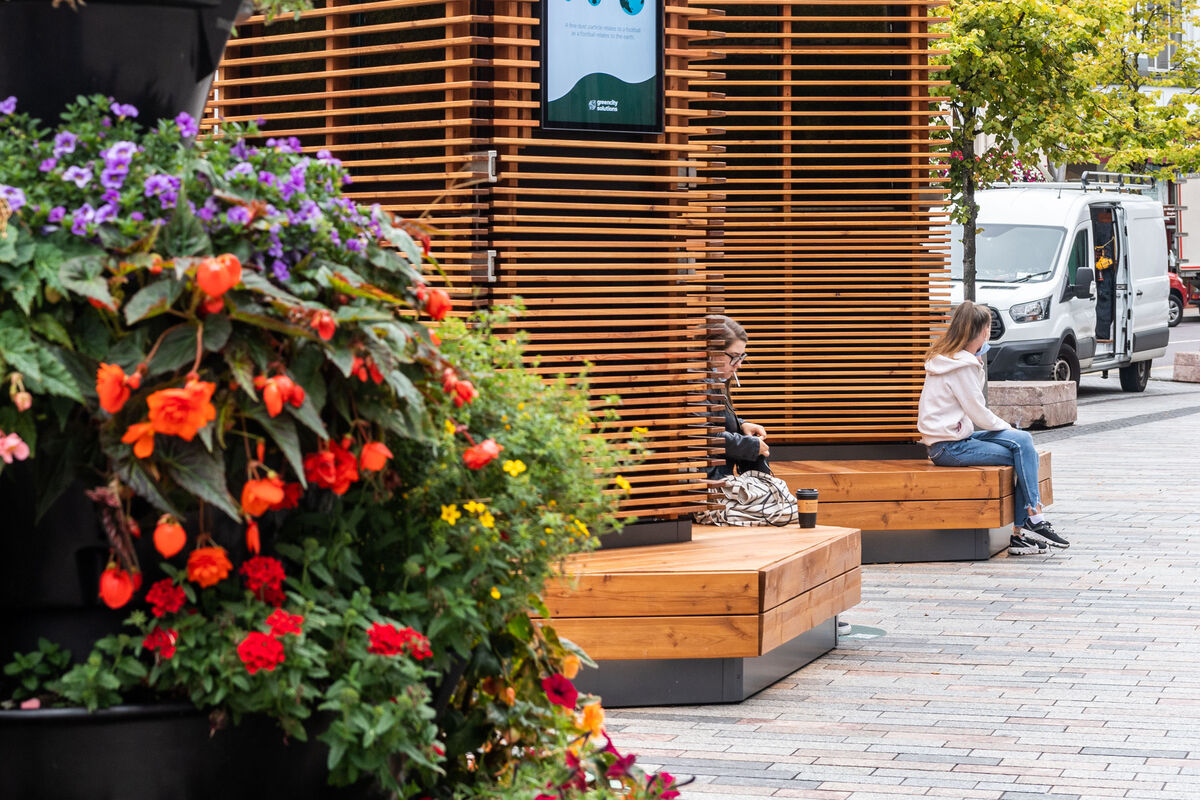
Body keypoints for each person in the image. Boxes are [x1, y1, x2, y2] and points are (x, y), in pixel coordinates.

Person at [917, 301, 1069, 555]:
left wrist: (977, 364)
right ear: (982, 331)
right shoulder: (961, 366)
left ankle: (1026, 526)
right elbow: (978, 412)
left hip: (952, 438)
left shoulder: (952, 360)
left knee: (1023, 443)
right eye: (988, 328)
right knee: (1022, 451)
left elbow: (974, 405)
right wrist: (1006, 427)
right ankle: (1032, 517)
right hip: (949, 447)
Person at [707, 315, 770, 480]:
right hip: (705, 487)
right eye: (735, 356)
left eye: (742, 357)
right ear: (712, 352)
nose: (739, 364)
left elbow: (714, 421)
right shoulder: (695, 385)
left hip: (716, 480)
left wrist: (741, 425)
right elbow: (702, 433)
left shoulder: (716, 382)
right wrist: (750, 446)